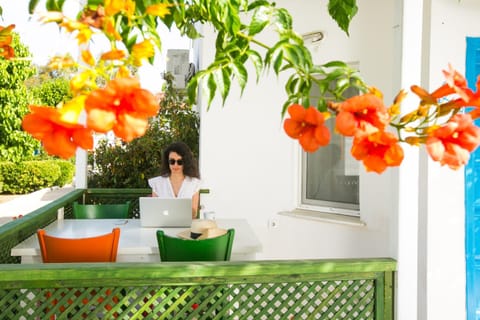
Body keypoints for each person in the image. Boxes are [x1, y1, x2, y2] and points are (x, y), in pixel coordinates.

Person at [148, 142, 201, 218]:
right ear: (167, 162)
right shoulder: (157, 183)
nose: (175, 165)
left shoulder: (194, 183)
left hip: (185, 226)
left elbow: (194, 213)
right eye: (172, 161)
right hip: (164, 225)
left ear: (186, 162)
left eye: (180, 162)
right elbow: (155, 211)